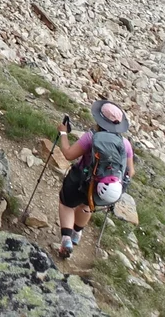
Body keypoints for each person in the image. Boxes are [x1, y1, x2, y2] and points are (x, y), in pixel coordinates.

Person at [55, 101, 134, 259]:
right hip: (100, 187)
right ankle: (77, 234)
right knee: (86, 205)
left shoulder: (91, 137)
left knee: (67, 204)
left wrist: (63, 133)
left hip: (79, 179)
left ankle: (66, 239)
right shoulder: (125, 144)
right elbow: (130, 171)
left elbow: (69, 154)